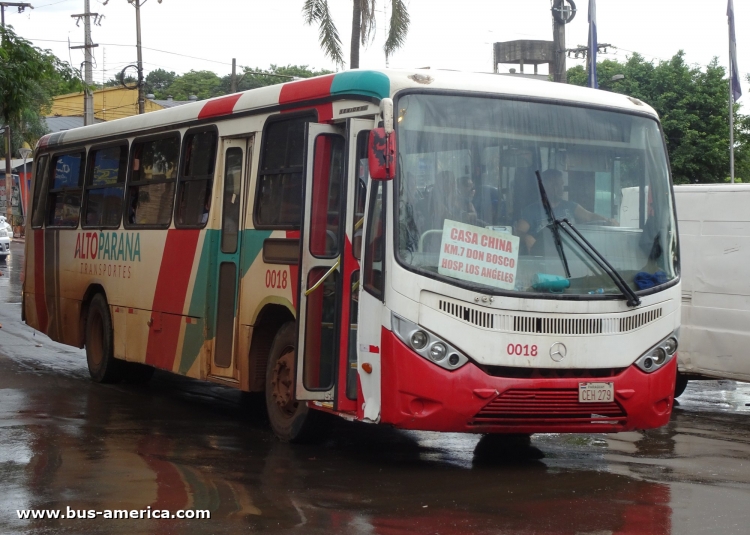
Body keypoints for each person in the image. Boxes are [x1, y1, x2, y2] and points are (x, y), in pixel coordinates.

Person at [516, 169, 617, 254]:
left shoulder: (570, 206)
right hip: (545, 257)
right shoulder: (532, 210)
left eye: (561, 185)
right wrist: (526, 237)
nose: (561, 189)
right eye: (555, 185)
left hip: (571, 255)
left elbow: (589, 216)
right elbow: (518, 233)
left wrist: (607, 220)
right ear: (544, 186)